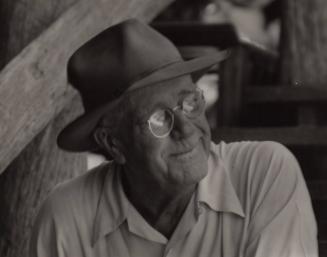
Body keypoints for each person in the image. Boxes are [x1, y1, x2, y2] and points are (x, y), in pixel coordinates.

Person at [30, 19, 318, 257]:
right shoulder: (66, 218)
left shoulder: (263, 174)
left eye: (190, 103)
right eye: (159, 118)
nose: (187, 128)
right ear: (113, 143)